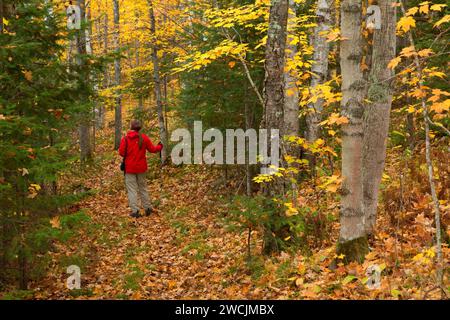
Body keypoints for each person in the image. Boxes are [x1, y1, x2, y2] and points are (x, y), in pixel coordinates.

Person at [119, 119, 163, 218]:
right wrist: (160, 146)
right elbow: (153, 149)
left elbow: (121, 153)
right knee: (143, 188)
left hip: (129, 169)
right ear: (140, 127)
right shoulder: (144, 138)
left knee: (132, 190)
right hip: (141, 168)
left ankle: (135, 211)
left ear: (131, 127)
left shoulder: (125, 139)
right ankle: (148, 208)